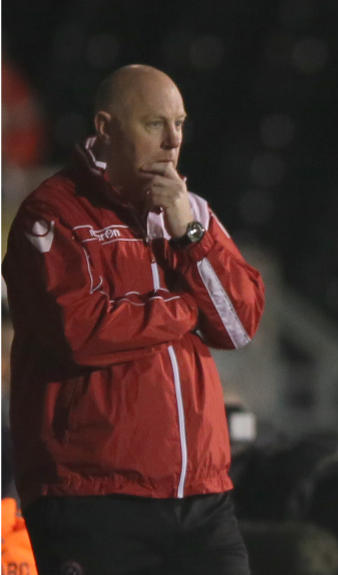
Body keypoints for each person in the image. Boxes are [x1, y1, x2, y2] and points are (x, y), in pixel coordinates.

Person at [1, 64, 265, 575]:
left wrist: (189, 233)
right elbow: (81, 331)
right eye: (154, 124)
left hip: (203, 496)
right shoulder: (50, 214)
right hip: (92, 497)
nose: (173, 141)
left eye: (180, 123)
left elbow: (237, 324)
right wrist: (187, 307)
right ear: (106, 127)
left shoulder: (193, 213)